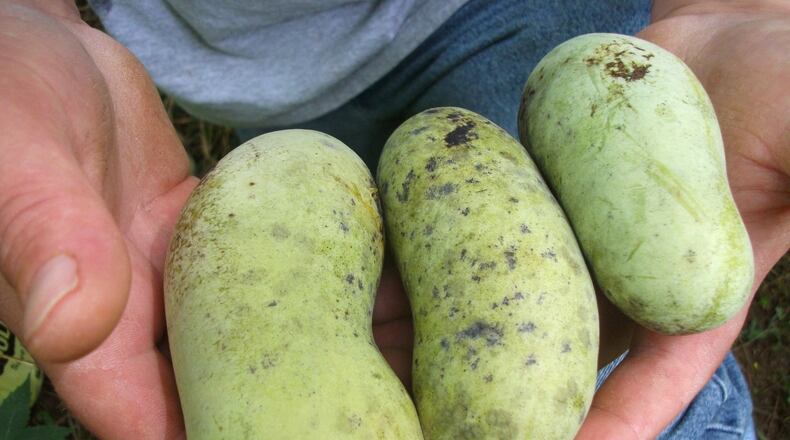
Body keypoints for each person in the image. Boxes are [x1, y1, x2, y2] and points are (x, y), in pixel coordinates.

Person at [0, 0, 787, 438]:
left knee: (631, 354)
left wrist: (736, 9)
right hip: (268, 78)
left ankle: (700, 422)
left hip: (515, 11)